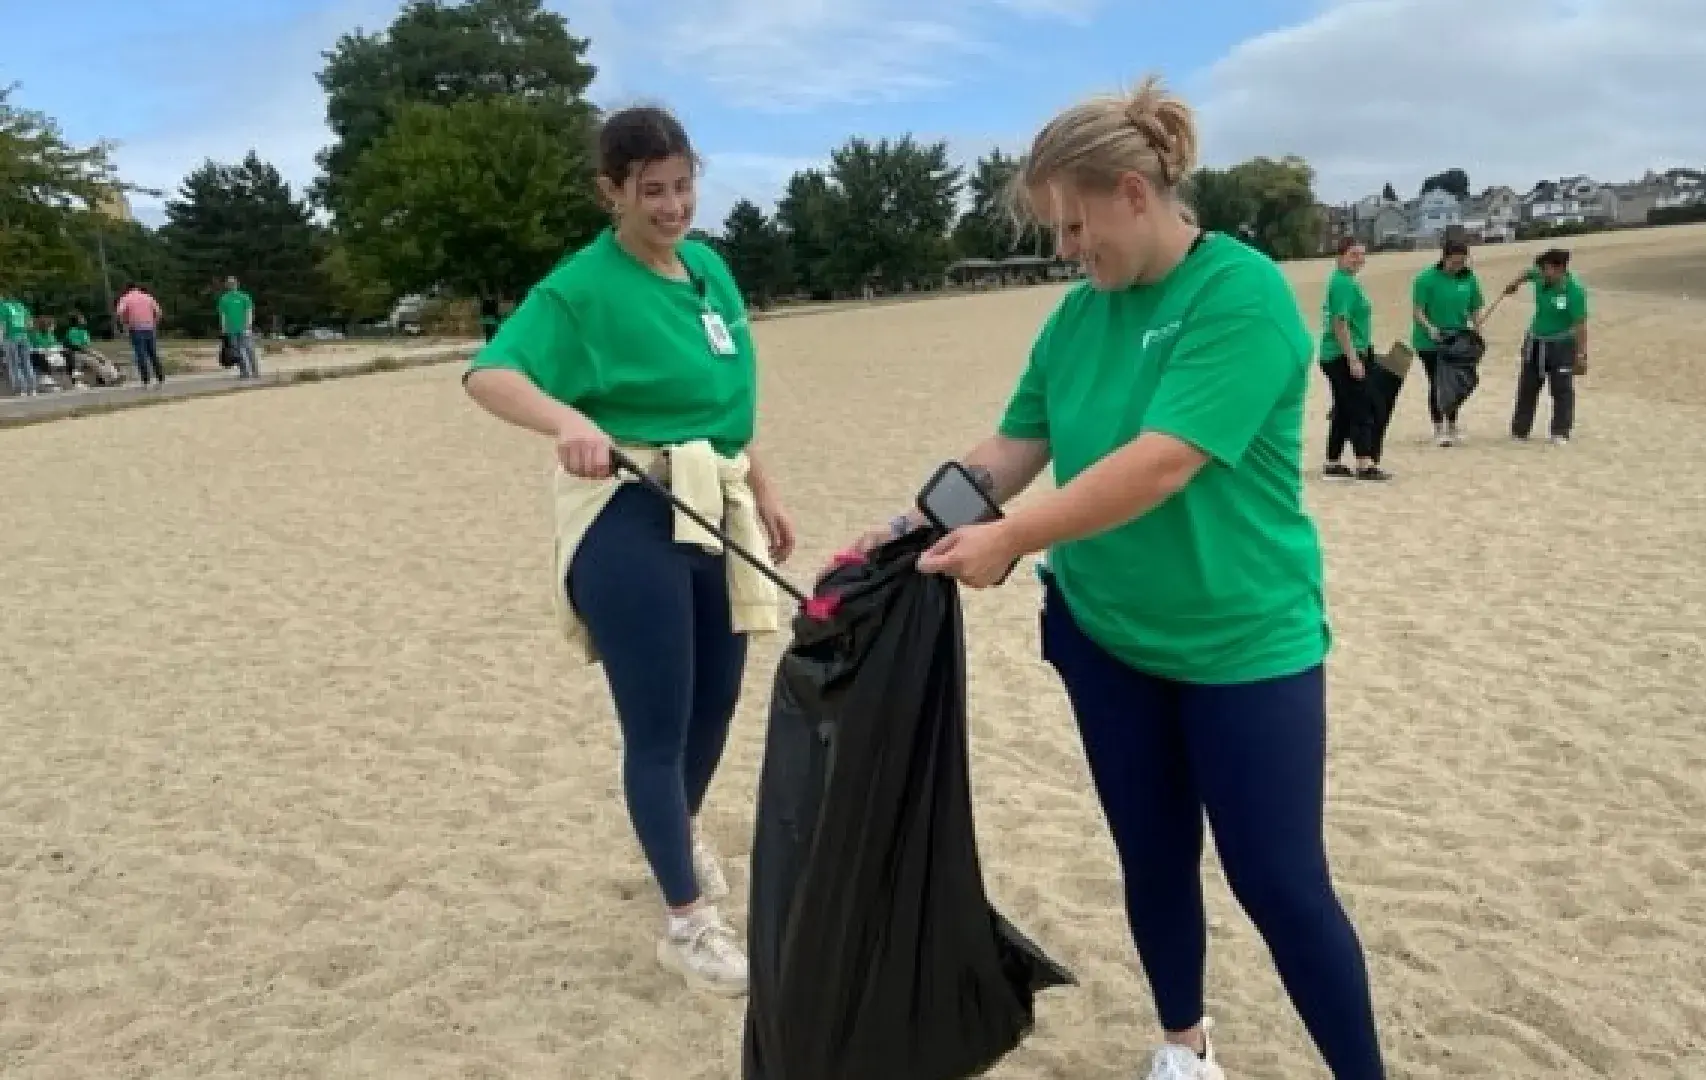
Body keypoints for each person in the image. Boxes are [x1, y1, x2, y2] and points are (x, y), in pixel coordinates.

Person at [842, 75, 1387, 1080]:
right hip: (1106, 638)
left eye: (1073, 223)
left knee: (1279, 882)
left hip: (1243, 645)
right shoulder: (1076, 316)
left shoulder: (1242, 293)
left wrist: (1010, 539)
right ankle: (1185, 1047)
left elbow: (1163, 460)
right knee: (1153, 856)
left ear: (1135, 195)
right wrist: (906, 526)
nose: (1066, 249)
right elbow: (1013, 446)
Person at [462, 104, 797, 996]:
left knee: (719, 701)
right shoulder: (579, 288)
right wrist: (569, 420)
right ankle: (686, 925)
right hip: (629, 511)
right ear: (611, 191)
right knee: (659, 720)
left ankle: (676, 836)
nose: (674, 205)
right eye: (652, 191)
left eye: (684, 185)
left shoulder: (710, 270)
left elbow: (728, 405)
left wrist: (762, 487)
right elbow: (490, 373)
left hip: (715, 501)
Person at [1503, 248, 1588, 444]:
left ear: (1559, 269)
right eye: (1541, 269)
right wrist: (1514, 284)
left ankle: (1560, 431)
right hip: (1535, 341)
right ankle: (1520, 430)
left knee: (1561, 389)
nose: (1541, 273)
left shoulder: (1574, 291)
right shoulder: (1540, 276)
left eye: (1546, 269)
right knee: (1527, 386)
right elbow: (1527, 272)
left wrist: (1581, 354)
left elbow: (1580, 325)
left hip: (1562, 345)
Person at [1320, 238, 1389, 481]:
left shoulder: (1345, 281)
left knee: (1343, 409)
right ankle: (1364, 463)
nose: (1358, 259)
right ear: (1340, 256)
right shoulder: (1343, 284)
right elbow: (1340, 323)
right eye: (1353, 254)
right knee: (1362, 407)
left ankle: (1333, 461)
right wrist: (1353, 359)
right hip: (1342, 354)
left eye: (1361, 255)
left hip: (1342, 353)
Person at [1411, 239, 1487, 445]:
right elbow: (1417, 312)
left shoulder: (1469, 279)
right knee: (1437, 383)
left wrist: (1477, 330)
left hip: (1459, 340)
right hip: (1430, 342)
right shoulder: (1425, 279)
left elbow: (1475, 308)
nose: (1458, 266)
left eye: (1462, 262)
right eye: (1454, 262)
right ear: (1444, 258)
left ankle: (1452, 425)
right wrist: (1430, 328)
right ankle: (1438, 429)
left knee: (1457, 383)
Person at [114, 282, 165, 387]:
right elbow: (159, 312)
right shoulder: (148, 297)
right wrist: (154, 322)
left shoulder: (126, 298)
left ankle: (146, 380)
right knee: (152, 353)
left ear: (127, 289)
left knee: (140, 354)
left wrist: (124, 323)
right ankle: (160, 377)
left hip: (136, 328)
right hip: (150, 327)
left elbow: (119, 312)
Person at [217, 276, 261, 380]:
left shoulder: (244, 297)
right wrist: (224, 328)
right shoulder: (224, 299)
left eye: (233, 283)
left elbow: (249, 311)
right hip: (231, 329)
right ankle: (244, 372)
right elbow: (223, 314)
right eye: (229, 283)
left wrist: (248, 325)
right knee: (237, 352)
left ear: (237, 284)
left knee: (249, 349)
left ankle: (255, 371)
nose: (231, 285)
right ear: (227, 285)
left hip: (244, 328)